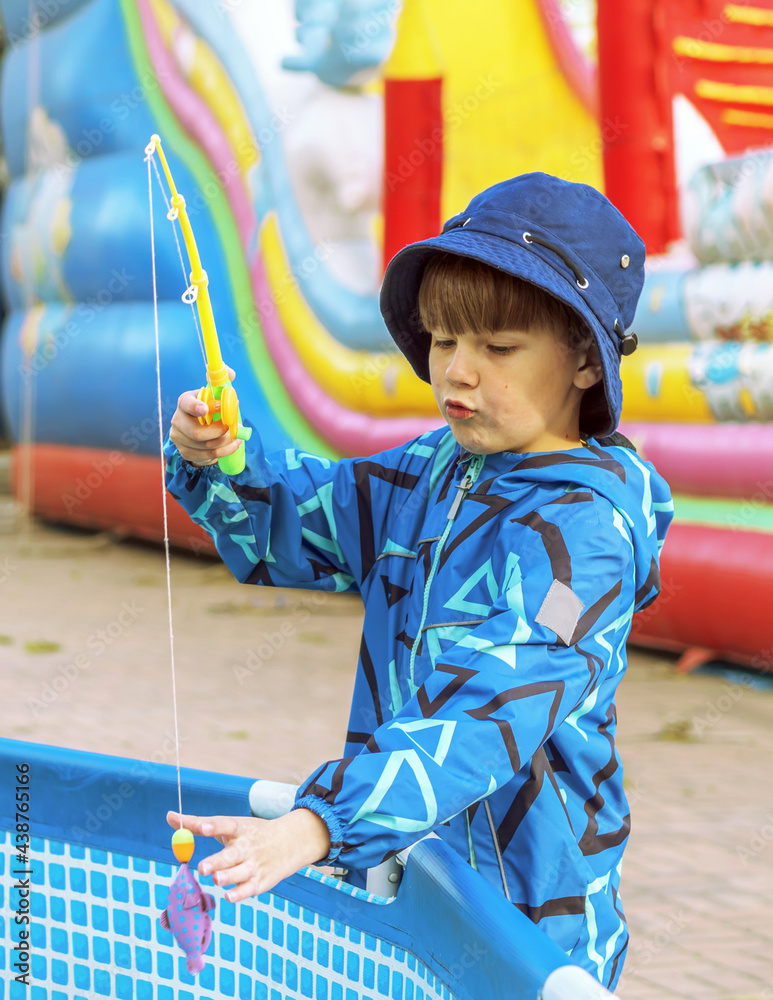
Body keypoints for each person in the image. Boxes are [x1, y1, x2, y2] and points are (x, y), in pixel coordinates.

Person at [164, 172, 672, 989]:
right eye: (442, 341)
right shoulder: (435, 470)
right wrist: (220, 460)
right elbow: (295, 523)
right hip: (416, 887)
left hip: (531, 929)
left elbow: (498, 695)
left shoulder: (587, 538)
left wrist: (321, 822)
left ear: (584, 359)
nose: (456, 374)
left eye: (497, 347)